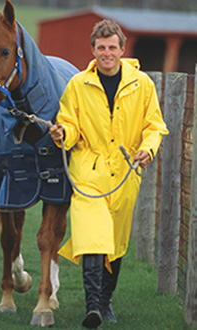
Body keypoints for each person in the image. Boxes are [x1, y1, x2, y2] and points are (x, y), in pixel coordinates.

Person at [49, 19, 168, 329]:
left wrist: (148, 149)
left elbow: (154, 126)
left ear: (121, 49)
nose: (106, 53)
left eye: (112, 47)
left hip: (126, 173)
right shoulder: (77, 85)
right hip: (89, 171)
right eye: (100, 48)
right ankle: (93, 308)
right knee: (92, 238)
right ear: (93, 50)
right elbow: (70, 123)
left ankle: (105, 302)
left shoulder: (142, 84)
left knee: (114, 243)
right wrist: (64, 134)